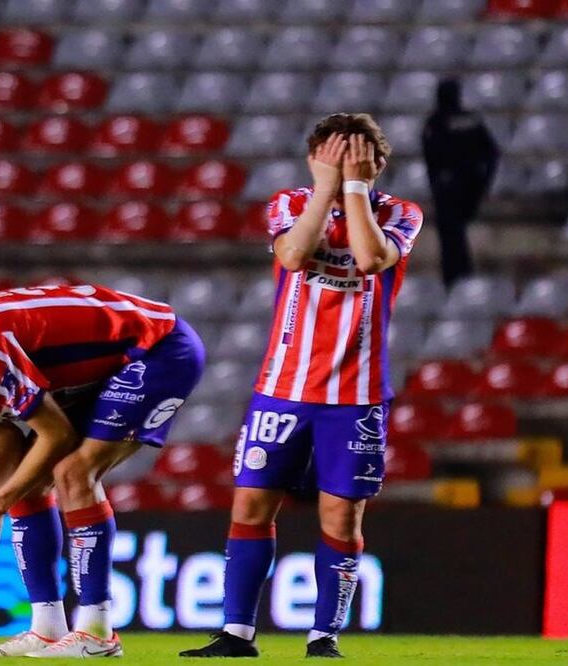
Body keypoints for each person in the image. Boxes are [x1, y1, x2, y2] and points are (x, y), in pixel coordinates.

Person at [180, 114, 422, 659]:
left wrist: (354, 189)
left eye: (354, 159)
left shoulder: (401, 213)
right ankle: (237, 633)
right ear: (314, 160)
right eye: (330, 158)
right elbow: (292, 255)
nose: (340, 167)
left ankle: (323, 637)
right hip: (282, 388)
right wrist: (325, 189)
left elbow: (369, 258)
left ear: (377, 164)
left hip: (357, 397)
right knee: (251, 505)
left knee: (341, 515)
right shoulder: (289, 204)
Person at [0, 283, 205, 658]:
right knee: (30, 480)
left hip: (158, 348)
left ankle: (98, 632)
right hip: (100, 366)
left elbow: (56, 435)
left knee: (73, 471)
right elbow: (2, 439)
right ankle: (47, 628)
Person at [422, 78, 499, 289]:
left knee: (451, 238)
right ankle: (462, 276)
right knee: (458, 234)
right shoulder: (471, 120)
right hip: (471, 185)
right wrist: (484, 182)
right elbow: (492, 153)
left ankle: (455, 280)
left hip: (448, 187)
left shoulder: (435, 122)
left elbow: (430, 158)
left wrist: (436, 184)